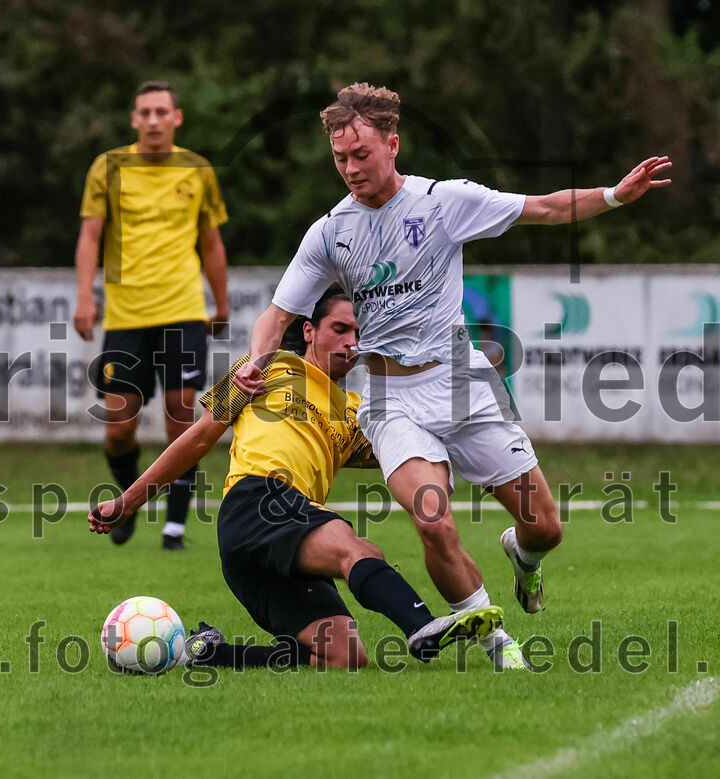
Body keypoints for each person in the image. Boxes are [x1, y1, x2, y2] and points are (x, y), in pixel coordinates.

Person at [232, 83, 672, 665]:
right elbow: (278, 314)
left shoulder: (444, 202)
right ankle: (498, 645)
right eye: (340, 158)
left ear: (393, 144)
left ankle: (524, 554)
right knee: (433, 522)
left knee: (546, 529)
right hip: (390, 398)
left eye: (361, 154)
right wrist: (257, 356)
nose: (350, 169)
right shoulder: (330, 232)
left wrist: (614, 196)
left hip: (461, 384)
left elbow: (540, 208)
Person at [88, 288, 507, 670]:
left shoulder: (363, 412)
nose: (351, 342)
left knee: (344, 655)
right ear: (309, 330)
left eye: (359, 333)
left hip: (283, 534)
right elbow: (197, 439)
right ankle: (423, 627)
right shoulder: (265, 367)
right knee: (356, 548)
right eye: (340, 329)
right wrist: (128, 501)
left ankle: (208, 652)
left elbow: (419, 448)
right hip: (255, 501)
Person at [74, 80, 230, 550]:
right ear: (134, 119)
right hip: (125, 316)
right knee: (119, 428)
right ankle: (127, 501)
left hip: (183, 309)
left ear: (177, 117)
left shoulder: (198, 170)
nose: (154, 120)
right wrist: (85, 295)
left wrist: (221, 304)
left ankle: (175, 528)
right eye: (145, 112)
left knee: (181, 419)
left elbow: (211, 243)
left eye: (162, 111)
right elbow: (90, 236)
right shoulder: (109, 166)